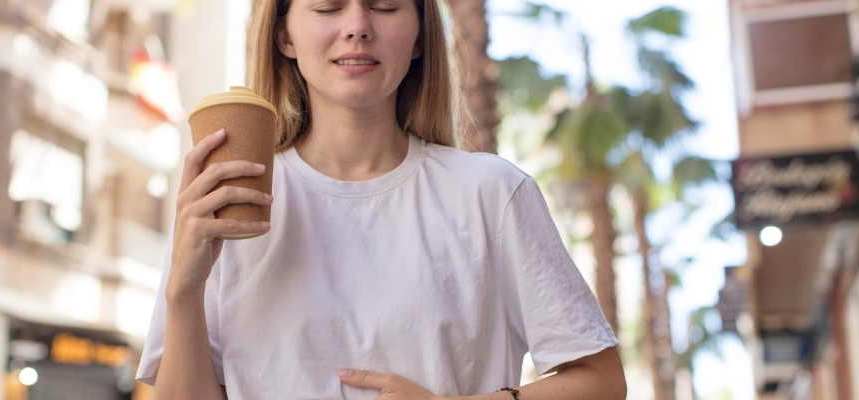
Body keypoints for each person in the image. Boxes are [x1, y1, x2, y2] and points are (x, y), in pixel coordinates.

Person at [135, 0, 627, 398]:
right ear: (284, 35)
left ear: (418, 38)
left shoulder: (492, 193)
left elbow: (602, 381)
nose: (357, 26)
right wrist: (183, 289)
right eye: (328, 7)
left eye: (385, 6)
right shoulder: (229, 201)